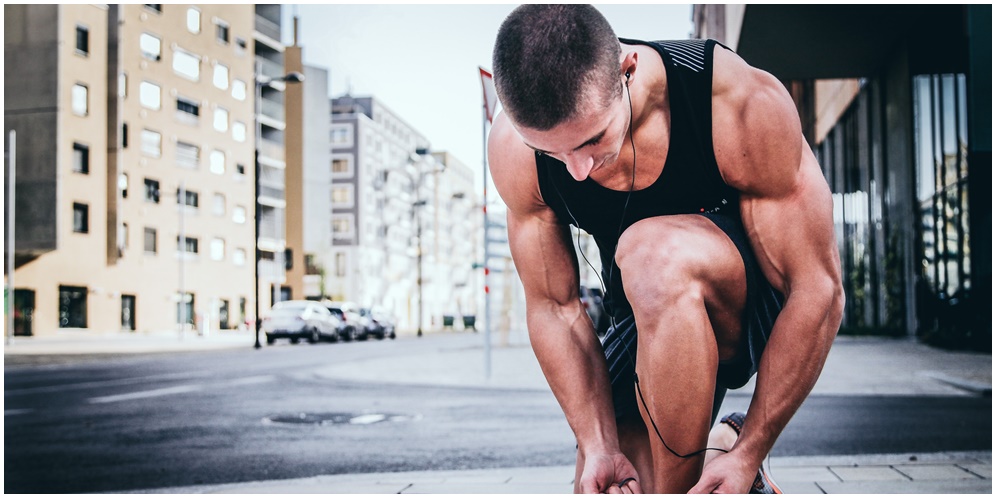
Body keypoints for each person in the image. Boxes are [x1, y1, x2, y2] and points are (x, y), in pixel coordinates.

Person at [487, 5, 844, 494]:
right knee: (618, 483)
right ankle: (719, 442)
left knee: (650, 253)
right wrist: (597, 444)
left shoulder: (733, 101)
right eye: (553, 153)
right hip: (644, 314)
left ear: (627, 71)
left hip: (751, 305)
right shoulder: (513, 150)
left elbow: (817, 289)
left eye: (592, 140)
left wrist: (753, 451)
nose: (577, 170)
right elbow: (554, 306)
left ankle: (729, 450)